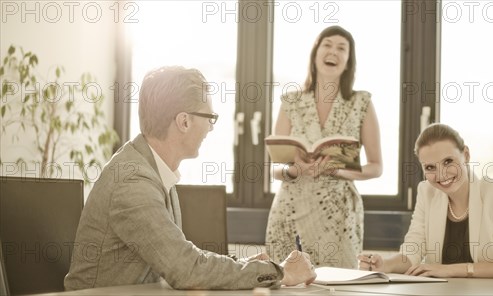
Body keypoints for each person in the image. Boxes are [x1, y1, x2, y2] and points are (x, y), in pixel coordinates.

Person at [64, 66, 316, 290]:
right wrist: (280, 272)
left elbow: (179, 257)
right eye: (210, 118)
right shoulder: (133, 181)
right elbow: (185, 269)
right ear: (184, 121)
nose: (210, 128)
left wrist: (242, 268)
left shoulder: (153, 168)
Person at [265, 26, 383, 269]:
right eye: (327, 45)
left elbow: (376, 166)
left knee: (338, 285)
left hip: (337, 214)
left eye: (342, 48)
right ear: (315, 53)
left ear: (349, 61)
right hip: (290, 209)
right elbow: (276, 169)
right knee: (287, 283)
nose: (333, 52)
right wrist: (296, 170)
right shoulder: (291, 101)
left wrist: (338, 171)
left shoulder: (362, 102)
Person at [357, 123, 493, 278]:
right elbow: (413, 250)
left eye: (448, 161)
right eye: (430, 167)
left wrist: (449, 270)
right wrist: (384, 265)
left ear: (466, 155)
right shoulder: (426, 192)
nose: (441, 174)